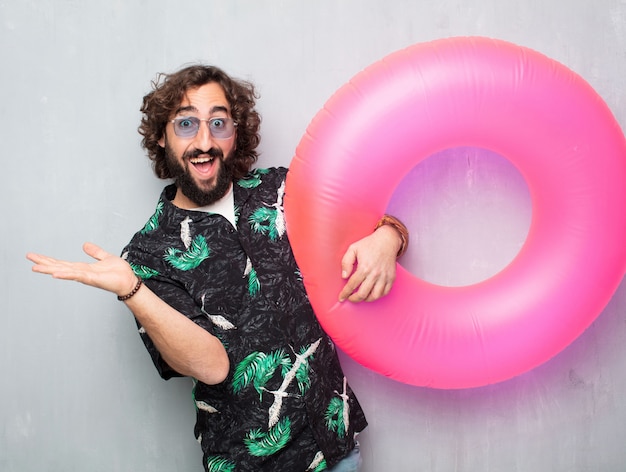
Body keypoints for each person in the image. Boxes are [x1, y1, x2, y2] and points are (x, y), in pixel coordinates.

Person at [27, 65, 409, 472]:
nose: (204, 141)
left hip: (338, 445)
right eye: (187, 124)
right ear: (162, 135)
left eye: (218, 123)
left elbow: (368, 213)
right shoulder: (146, 256)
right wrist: (132, 290)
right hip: (251, 464)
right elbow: (212, 366)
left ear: (235, 132)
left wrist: (389, 237)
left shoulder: (283, 189)